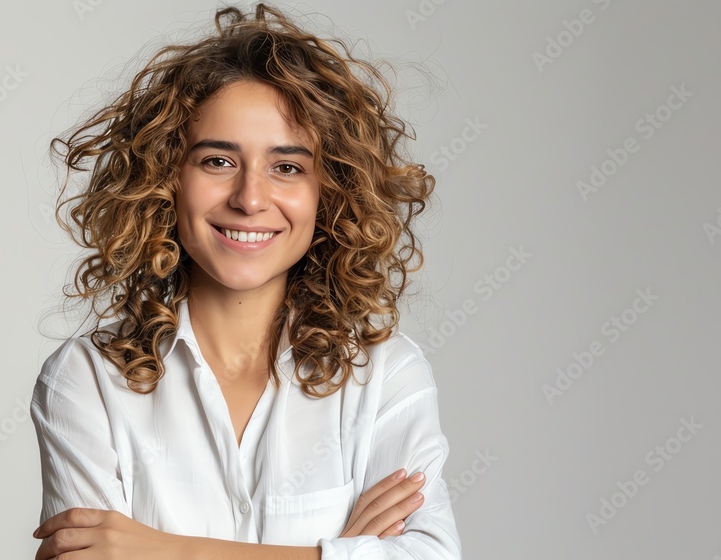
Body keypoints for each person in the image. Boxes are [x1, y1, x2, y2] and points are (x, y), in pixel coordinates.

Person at [29, 4, 461, 559]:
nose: (250, 199)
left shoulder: (386, 378)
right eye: (216, 161)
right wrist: (343, 552)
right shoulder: (86, 379)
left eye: (287, 167)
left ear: (329, 193)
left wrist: (166, 551)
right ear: (165, 178)